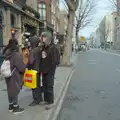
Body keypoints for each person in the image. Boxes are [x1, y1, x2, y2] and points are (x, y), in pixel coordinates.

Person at [3, 39, 26, 114]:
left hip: (7, 74)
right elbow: (21, 68)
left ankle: (10, 106)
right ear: (15, 45)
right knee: (15, 90)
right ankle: (16, 107)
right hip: (15, 75)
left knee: (9, 90)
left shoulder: (6, 52)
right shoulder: (16, 55)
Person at [40, 32, 60, 107]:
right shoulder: (44, 47)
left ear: (48, 38)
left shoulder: (53, 48)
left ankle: (51, 102)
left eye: (44, 37)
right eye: (42, 37)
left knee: (49, 86)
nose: (43, 39)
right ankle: (46, 100)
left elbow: (55, 60)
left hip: (50, 70)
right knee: (44, 85)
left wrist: (50, 69)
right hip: (44, 70)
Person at [27, 35, 43, 106]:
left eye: (30, 42)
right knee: (38, 85)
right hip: (39, 70)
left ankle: (36, 100)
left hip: (33, 70)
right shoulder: (40, 49)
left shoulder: (32, 51)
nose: (29, 43)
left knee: (34, 86)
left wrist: (27, 67)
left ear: (33, 42)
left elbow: (30, 62)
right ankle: (39, 98)